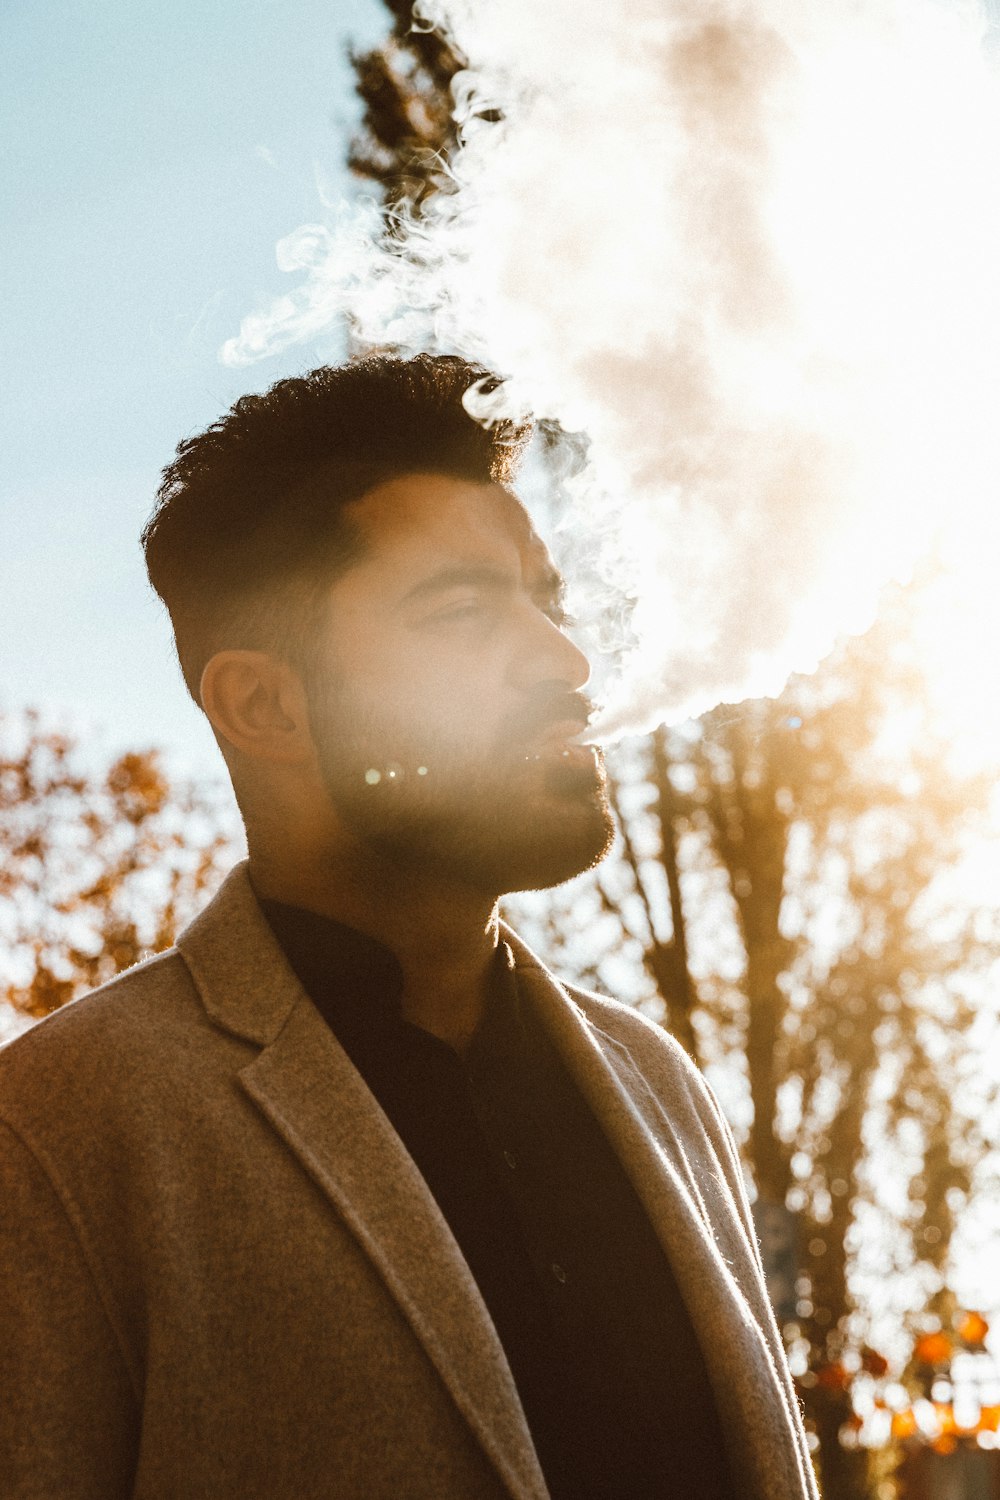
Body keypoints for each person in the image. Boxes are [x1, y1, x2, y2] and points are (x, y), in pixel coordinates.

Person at [0, 355, 817, 1499]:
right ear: (265, 705)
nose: (566, 661)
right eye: (463, 612)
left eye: (549, 598)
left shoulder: (656, 1081)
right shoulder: (57, 1129)